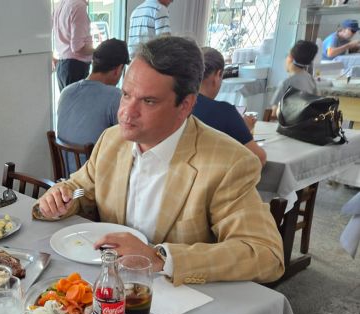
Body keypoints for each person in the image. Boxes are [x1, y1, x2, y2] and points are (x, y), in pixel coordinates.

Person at [36, 36, 284, 286]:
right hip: (105, 287)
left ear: (185, 105)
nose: (126, 112)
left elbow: (266, 254)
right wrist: (63, 196)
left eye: (148, 101)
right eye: (126, 94)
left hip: (177, 303)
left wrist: (161, 258)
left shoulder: (228, 162)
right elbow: (83, 189)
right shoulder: (112, 140)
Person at [56, 38, 129, 173]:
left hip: (66, 180)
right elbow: (127, 142)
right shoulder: (115, 97)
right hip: (93, 182)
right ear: (118, 70)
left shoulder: (66, 92)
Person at [192, 47, 266, 165]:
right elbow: (259, 158)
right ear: (218, 75)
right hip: (213, 180)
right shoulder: (225, 113)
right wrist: (244, 129)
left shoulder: (176, 105)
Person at [53, 0, 94, 91]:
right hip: (76, 67)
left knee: (69, 104)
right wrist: (97, 50)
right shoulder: (78, 6)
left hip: (62, 66)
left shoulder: (60, 5)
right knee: (78, 104)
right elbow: (78, 47)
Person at [270, 40, 319, 115]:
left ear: (290, 57)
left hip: (289, 125)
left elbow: (274, 113)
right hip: (307, 124)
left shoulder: (286, 83)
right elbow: (316, 103)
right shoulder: (310, 80)